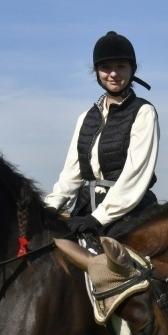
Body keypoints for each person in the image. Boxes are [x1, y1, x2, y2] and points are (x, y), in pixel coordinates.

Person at [45, 31, 160, 241]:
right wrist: (48, 209)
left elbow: (135, 175)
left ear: (132, 69)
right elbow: (71, 174)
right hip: (85, 211)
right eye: (106, 67)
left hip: (129, 215)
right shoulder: (85, 118)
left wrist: (98, 218)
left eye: (121, 66)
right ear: (96, 72)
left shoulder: (143, 112)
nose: (113, 74)